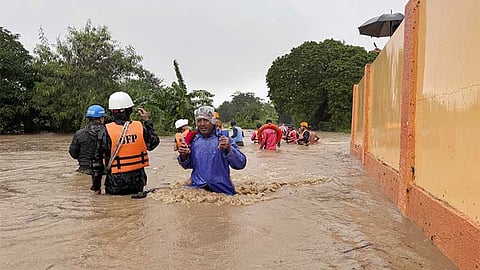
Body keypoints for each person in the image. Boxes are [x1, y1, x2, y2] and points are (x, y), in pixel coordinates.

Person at [91, 91, 160, 195]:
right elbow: (153, 143)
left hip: (115, 184)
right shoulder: (140, 127)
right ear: (130, 111)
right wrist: (147, 121)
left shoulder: (105, 131)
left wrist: (96, 187)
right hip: (138, 183)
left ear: (112, 112)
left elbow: (97, 163)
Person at [177, 106, 247, 195]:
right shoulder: (194, 140)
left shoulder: (224, 139)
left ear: (213, 121)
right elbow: (187, 165)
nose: (202, 124)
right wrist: (183, 156)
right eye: (199, 121)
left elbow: (241, 164)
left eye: (206, 120)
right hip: (197, 188)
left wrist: (229, 148)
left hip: (221, 189)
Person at [69, 105, 106, 175]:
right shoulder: (109, 132)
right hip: (102, 170)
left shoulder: (79, 134)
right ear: (101, 118)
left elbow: (73, 153)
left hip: (84, 169)